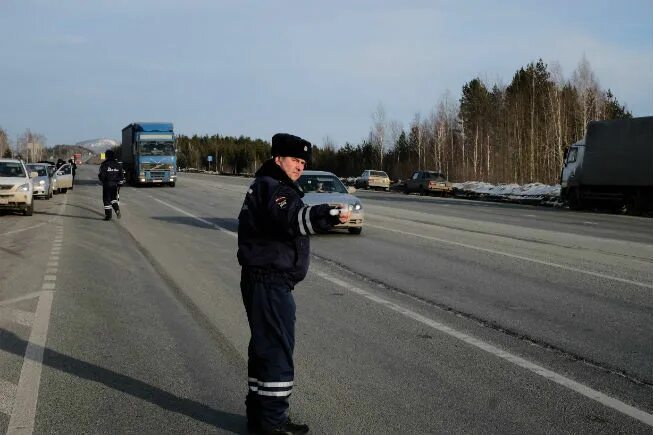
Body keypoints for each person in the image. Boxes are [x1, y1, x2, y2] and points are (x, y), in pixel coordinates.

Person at [238, 133, 348, 434]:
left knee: (263, 348)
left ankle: (259, 417)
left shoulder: (265, 185)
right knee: (275, 349)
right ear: (278, 159)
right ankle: (273, 424)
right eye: (294, 160)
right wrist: (328, 214)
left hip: (261, 279)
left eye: (303, 161)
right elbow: (293, 218)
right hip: (271, 281)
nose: (300, 166)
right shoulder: (275, 189)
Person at [98, 149, 124, 221]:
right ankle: (117, 209)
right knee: (113, 198)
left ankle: (108, 216)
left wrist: (101, 180)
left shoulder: (104, 164)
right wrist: (120, 184)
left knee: (106, 200)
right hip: (114, 185)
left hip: (107, 184)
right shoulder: (118, 164)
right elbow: (121, 176)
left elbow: (102, 175)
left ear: (106, 156)